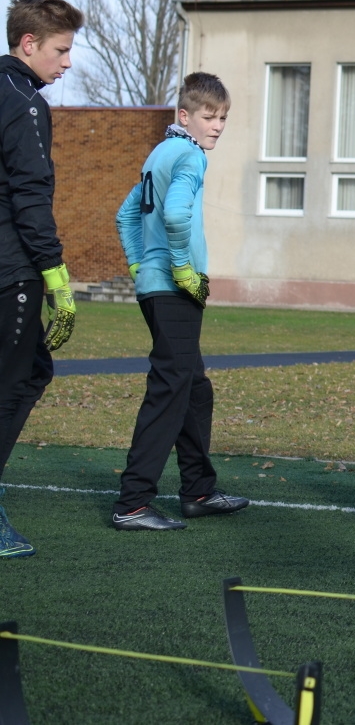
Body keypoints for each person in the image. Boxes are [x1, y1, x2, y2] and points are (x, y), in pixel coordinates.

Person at [112, 72, 249, 531]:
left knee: (194, 389)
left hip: (157, 286)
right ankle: (132, 503)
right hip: (175, 288)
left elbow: (126, 213)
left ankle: (198, 490)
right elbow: (173, 213)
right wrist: (181, 268)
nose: (217, 125)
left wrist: (138, 266)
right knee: (170, 389)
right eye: (209, 116)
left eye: (223, 117)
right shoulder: (189, 155)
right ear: (184, 116)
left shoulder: (159, 153)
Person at [0, 0, 82, 558]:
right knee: (16, 384)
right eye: (61, 50)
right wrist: (55, 275)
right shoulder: (24, 100)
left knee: (30, 372)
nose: (67, 62)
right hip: (13, 270)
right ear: (28, 44)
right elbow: (31, 194)